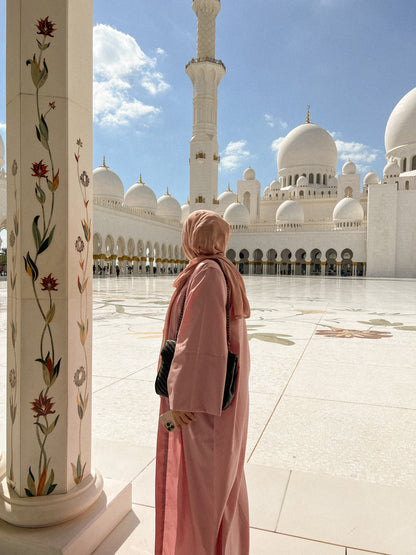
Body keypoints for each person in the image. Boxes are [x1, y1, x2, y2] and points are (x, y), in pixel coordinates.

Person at [155, 210, 251, 555]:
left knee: (205, 487)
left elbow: (201, 342)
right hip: (215, 395)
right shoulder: (218, 270)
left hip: (203, 403)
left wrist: (182, 399)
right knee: (218, 483)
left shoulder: (208, 273)